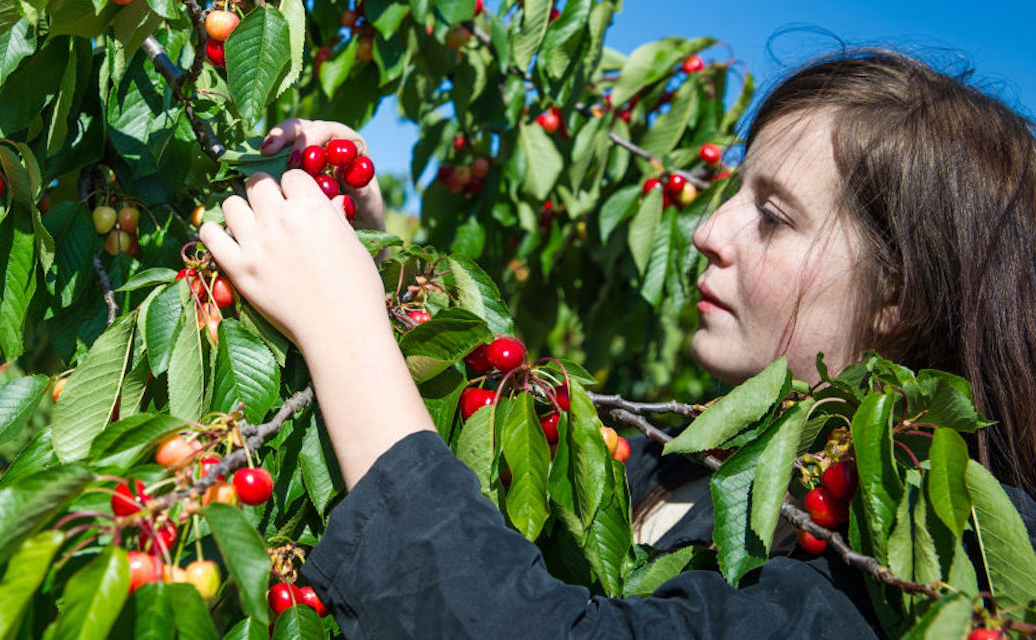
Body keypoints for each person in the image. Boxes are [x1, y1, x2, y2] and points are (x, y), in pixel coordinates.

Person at [198, 49, 1036, 638]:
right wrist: (382, 273)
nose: (708, 231)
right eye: (731, 191)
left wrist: (346, 332)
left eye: (773, 218)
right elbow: (481, 517)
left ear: (899, 296)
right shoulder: (692, 461)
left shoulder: (934, 567)